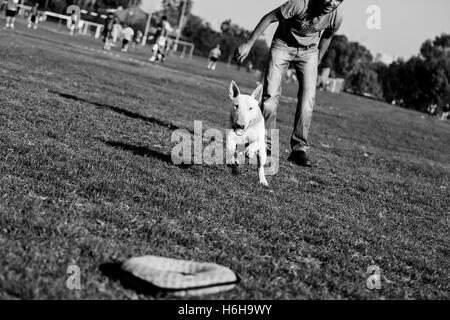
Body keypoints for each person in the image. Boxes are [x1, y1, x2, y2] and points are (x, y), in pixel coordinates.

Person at [235, 0, 344, 168]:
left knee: (308, 101)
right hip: (283, 45)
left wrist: (318, 59)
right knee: (270, 98)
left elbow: (328, 35)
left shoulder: (336, 16)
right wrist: (248, 44)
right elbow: (269, 18)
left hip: (309, 52)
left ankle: (299, 149)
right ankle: (267, 144)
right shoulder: (300, 3)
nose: (331, 1)